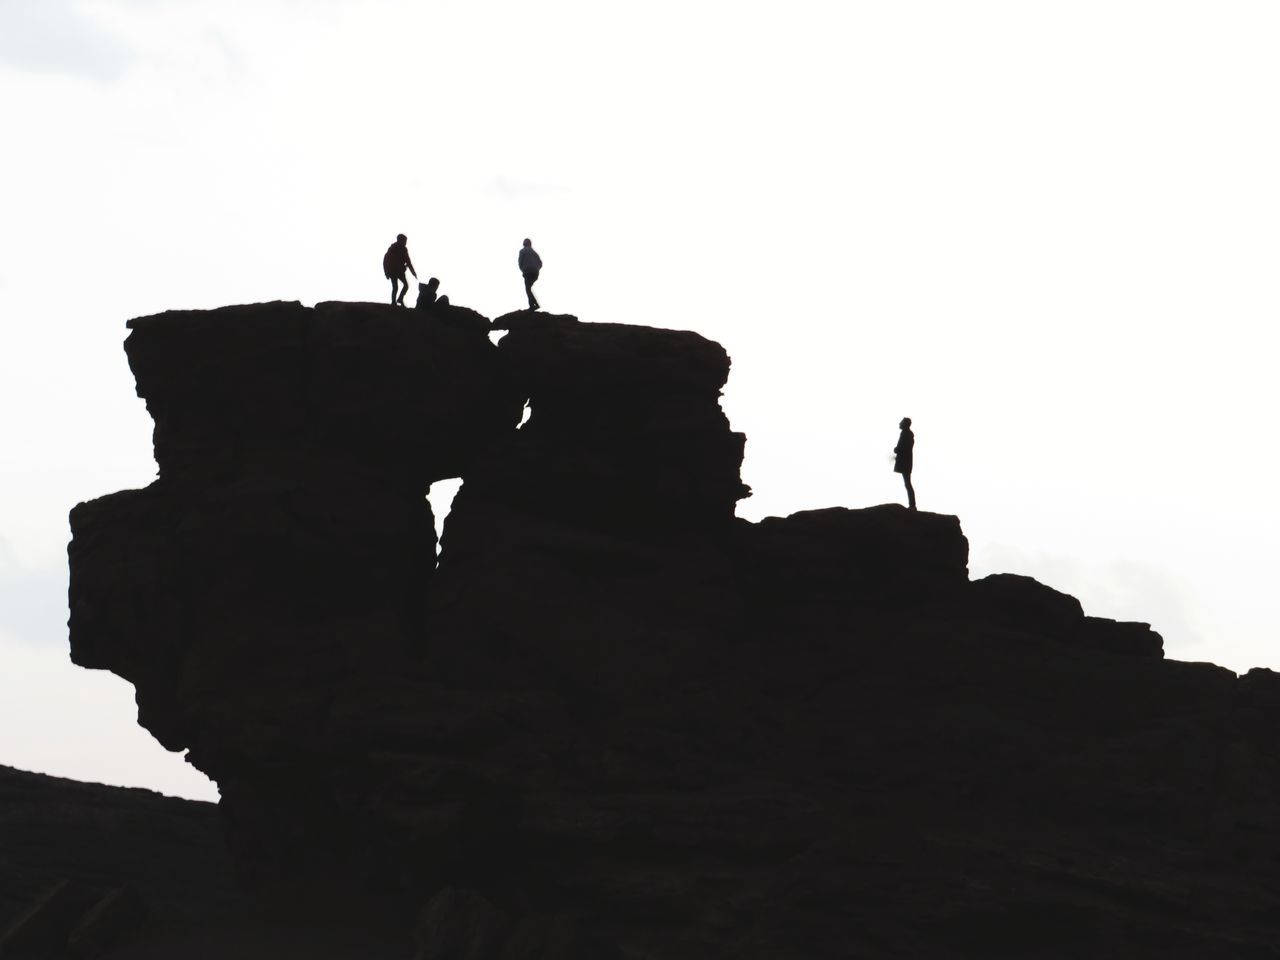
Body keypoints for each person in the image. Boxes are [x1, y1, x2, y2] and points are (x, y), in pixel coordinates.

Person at [383, 234, 417, 306]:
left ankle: (394, 302)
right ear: (402, 240)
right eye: (405, 241)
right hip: (398, 271)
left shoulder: (391, 248)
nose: (406, 243)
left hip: (391, 271)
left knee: (395, 287)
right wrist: (413, 273)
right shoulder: (403, 249)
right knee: (405, 285)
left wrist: (386, 272)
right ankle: (399, 299)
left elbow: (385, 260)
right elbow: (408, 262)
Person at [894, 417, 916, 511]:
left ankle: (912, 505)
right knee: (907, 483)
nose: (899, 424)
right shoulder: (908, 434)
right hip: (906, 462)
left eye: (901, 422)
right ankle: (912, 505)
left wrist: (897, 450)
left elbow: (903, 448)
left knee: (907, 483)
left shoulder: (906, 434)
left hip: (905, 462)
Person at [518, 238, 542, 310]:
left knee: (528, 289)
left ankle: (533, 305)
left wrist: (523, 269)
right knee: (529, 288)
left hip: (528, 272)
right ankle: (534, 304)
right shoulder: (535, 253)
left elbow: (520, 262)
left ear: (524, 244)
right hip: (535, 273)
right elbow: (540, 263)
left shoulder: (522, 251)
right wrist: (536, 269)